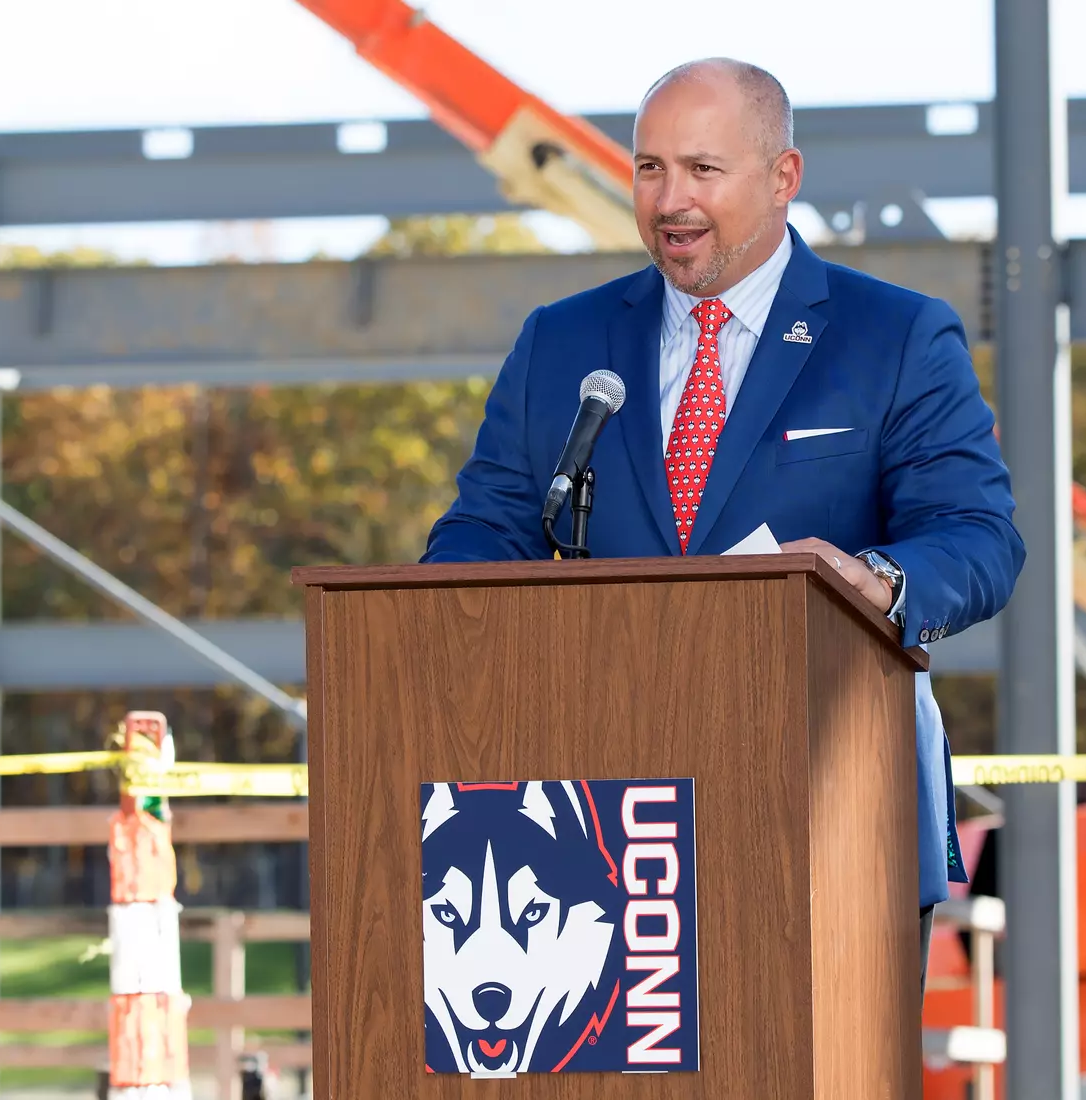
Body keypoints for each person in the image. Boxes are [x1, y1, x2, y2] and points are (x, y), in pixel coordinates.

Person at [422, 57, 1025, 995]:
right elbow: (482, 533)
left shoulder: (895, 336)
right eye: (649, 168)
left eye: (703, 170)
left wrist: (880, 581)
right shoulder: (562, 342)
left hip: (829, 812)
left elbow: (980, 538)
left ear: (784, 177)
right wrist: (434, 626)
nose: (671, 200)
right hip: (597, 827)